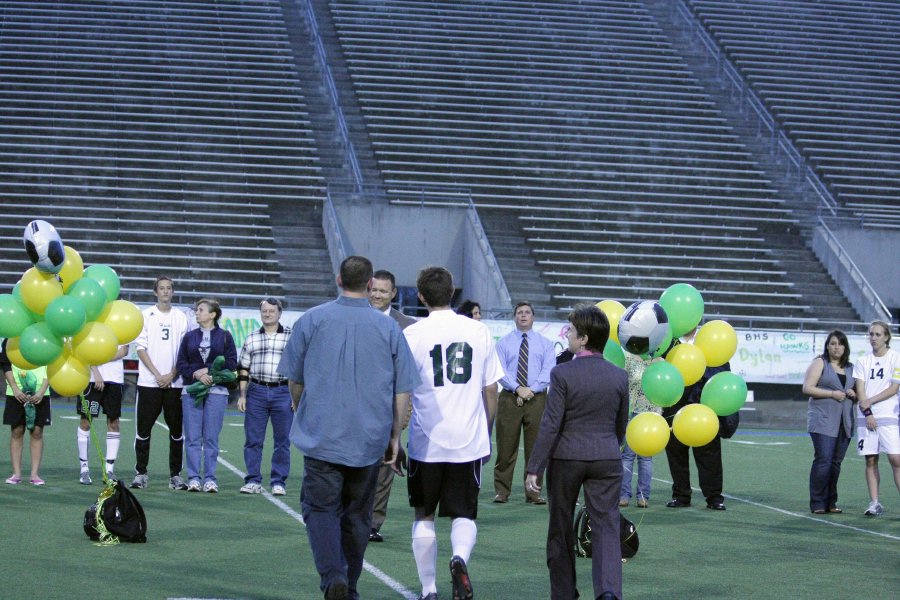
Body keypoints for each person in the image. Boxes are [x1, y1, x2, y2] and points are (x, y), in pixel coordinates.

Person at [277, 256, 418, 600]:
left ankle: (333, 577)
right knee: (357, 516)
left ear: (339, 279)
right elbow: (403, 389)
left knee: (321, 509)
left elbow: (294, 379)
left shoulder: (312, 319)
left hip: (323, 434)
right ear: (371, 285)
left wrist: (300, 408)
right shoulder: (389, 328)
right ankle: (348, 584)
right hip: (369, 438)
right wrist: (396, 437)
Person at [403, 266, 503, 600]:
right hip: (468, 439)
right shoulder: (479, 331)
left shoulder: (412, 334)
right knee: (464, 512)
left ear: (420, 296)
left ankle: (429, 588)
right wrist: (484, 433)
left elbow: (402, 393)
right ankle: (459, 557)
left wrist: (393, 437)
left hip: (426, 440)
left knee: (424, 513)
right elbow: (491, 390)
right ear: (453, 292)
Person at [525, 305, 628, 600]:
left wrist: (535, 466)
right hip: (606, 456)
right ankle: (608, 592)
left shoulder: (562, 373)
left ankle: (564, 593)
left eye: (570, 331)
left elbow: (550, 424)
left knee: (560, 527)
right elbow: (621, 425)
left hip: (566, 457)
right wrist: (607, 445)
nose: (567, 335)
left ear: (582, 339)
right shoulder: (618, 376)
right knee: (607, 527)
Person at [367, 269, 416, 543]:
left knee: (386, 466)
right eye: (374, 289)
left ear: (393, 293)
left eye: (383, 291)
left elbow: (410, 371)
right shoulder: (355, 318)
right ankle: (352, 518)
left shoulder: (408, 325)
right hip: (357, 404)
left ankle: (373, 523)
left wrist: (405, 411)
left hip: (390, 405)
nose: (377, 295)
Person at [494, 301, 556, 504]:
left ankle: (533, 492)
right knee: (505, 448)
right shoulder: (503, 343)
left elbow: (548, 371)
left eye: (527, 312)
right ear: (514, 317)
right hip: (509, 398)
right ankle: (502, 491)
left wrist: (530, 389)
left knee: (536, 449)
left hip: (537, 399)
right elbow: (500, 371)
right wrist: (518, 388)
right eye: (519, 312)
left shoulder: (545, 344)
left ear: (533, 317)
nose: (523, 315)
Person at [132, 275, 189, 490]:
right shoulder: (145, 316)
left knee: (176, 432)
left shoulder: (181, 317)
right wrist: (157, 374)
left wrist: (172, 375)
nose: (165, 291)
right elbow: (140, 348)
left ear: (173, 292)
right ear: (155, 292)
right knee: (143, 430)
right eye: (162, 288)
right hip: (149, 383)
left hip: (174, 385)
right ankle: (141, 473)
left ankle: (175, 476)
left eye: (169, 288)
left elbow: (184, 351)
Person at [663, 328, 729, 510]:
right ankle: (681, 495)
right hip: (675, 407)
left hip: (705, 408)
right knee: (676, 454)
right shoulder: (669, 342)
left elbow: (722, 371)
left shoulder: (710, 340)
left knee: (710, 455)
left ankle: (714, 497)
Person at [176, 298, 238, 493]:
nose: (197, 312)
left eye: (201, 310)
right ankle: (194, 478)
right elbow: (181, 364)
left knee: (211, 438)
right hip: (191, 390)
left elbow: (231, 362)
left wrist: (209, 372)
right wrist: (196, 373)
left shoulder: (226, 336)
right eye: (197, 310)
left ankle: (210, 478)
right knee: (193, 437)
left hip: (217, 392)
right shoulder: (189, 337)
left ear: (212, 314)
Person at [237, 297, 293, 496]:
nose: (267, 314)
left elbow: (299, 369)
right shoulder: (251, 337)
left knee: (282, 440)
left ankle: (279, 481)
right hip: (257, 392)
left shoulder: (291, 337)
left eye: (271, 311)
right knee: (253, 439)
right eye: (264, 311)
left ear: (279, 313)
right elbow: (243, 367)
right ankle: (253, 480)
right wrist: (242, 395)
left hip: (283, 391)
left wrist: (296, 396)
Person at [802, 330, 856, 514]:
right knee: (824, 460)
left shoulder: (851, 367)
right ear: (827, 345)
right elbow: (807, 388)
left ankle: (831, 502)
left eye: (840, 344)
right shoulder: (820, 363)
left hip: (845, 421)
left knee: (835, 463)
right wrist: (832, 394)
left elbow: (857, 391)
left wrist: (853, 394)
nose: (836, 347)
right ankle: (817, 502)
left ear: (845, 347)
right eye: (833, 343)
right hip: (823, 420)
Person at [853, 320, 900, 517]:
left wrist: (870, 402)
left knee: (896, 459)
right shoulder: (862, 361)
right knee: (871, 460)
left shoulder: (896, 358)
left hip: (889, 416)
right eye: (871, 334)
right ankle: (874, 502)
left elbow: (894, 388)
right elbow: (860, 389)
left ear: (886, 337)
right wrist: (869, 413)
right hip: (867, 418)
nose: (873, 338)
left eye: (878, 334)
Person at [77, 344, 130, 484]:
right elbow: (83, 349)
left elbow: (124, 350)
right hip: (90, 378)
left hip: (114, 379)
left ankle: (109, 470)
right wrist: (95, 370)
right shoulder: (92, 322)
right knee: (85, 422)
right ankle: (84, 469)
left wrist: (99, 359)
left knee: (114, 423)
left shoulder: (120, 325)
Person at [3, 342, 51, 486]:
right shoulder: (11, 338)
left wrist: (42, 391)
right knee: (17, 430)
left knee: (37, 431)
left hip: (40, 392)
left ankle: (34, 474)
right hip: (15, 392)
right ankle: (16, 474)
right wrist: (15, 388)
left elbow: (53, 364)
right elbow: (5, 363)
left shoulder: (46, 337)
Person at [620, 353, 661, 508]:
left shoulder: (629, 359)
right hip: (635, 412)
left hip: (646, 414)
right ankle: (627, 495)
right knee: (629, 456)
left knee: (641, 457)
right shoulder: (659, 361)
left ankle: (640, 496)